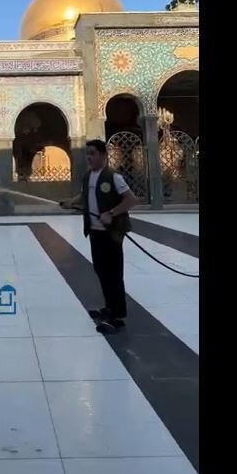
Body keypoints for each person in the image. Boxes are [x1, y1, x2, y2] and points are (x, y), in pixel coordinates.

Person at [60, 138, 138, 332]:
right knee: (102, 272)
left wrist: (111, 214)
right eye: (87, 153)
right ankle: (109, 307)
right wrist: (71, 201)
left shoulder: (113, 177)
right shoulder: (88, 176)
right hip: (95, 232)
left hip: (111, 234)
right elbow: (84, 197)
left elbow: (131, 200)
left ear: (103, 155)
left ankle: (118, 315)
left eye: (92, 153)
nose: (89, 157)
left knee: (113, 274)